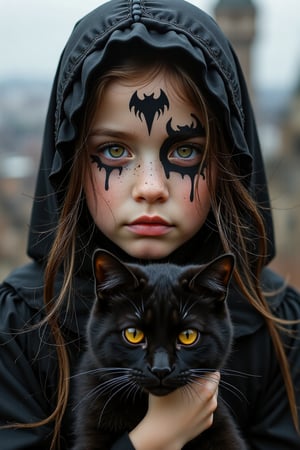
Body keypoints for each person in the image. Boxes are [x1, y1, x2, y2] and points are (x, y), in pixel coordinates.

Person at [0, 0, 299, 449]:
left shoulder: (279, 327)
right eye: (115, 152)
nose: (151, 187)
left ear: (226, 162)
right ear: (71, 163)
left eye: (184, 152)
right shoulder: (20, 329)